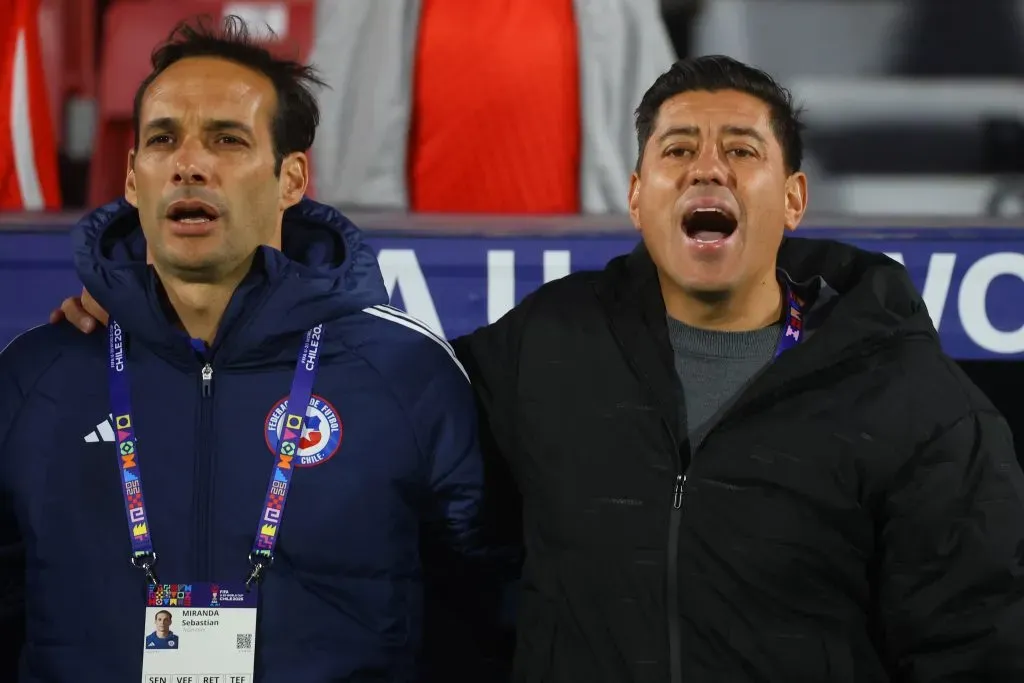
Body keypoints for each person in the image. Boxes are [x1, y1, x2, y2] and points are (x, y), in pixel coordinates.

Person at [52, 56, 1024, 682]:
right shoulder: (542, 346)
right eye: (677, 148)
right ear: (636, 191)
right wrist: (152, 312)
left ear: (795, 195)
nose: (707, 170)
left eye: (742, 150)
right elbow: (362, 386)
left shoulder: (910, 400)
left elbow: (975, 643)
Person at [1, 16, 505, 683]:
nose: (189, 163)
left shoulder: (403, 372)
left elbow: (486, 606)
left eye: (226, 139)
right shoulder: (40, 373)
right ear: (131, 177)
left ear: (292, 178)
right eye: (163, 138)